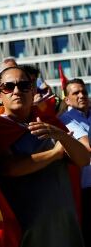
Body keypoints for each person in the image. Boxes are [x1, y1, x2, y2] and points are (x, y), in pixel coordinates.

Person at [0, 66, 88, 247]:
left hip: (64, 220)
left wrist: (61, 136)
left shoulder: (50, 122)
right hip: (27, 225)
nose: (16, 91)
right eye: (8, 87)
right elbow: (9, 168)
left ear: (32, 91)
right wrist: (54, 154)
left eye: (23, 85)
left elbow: (84, 159)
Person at [59, 78, 91, 246]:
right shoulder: (68, 119)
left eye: (84, 92)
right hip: (85, 188)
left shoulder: (88, 114)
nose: (81, 95)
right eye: (75, 93)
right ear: (66, 99)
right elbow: (87, 147)